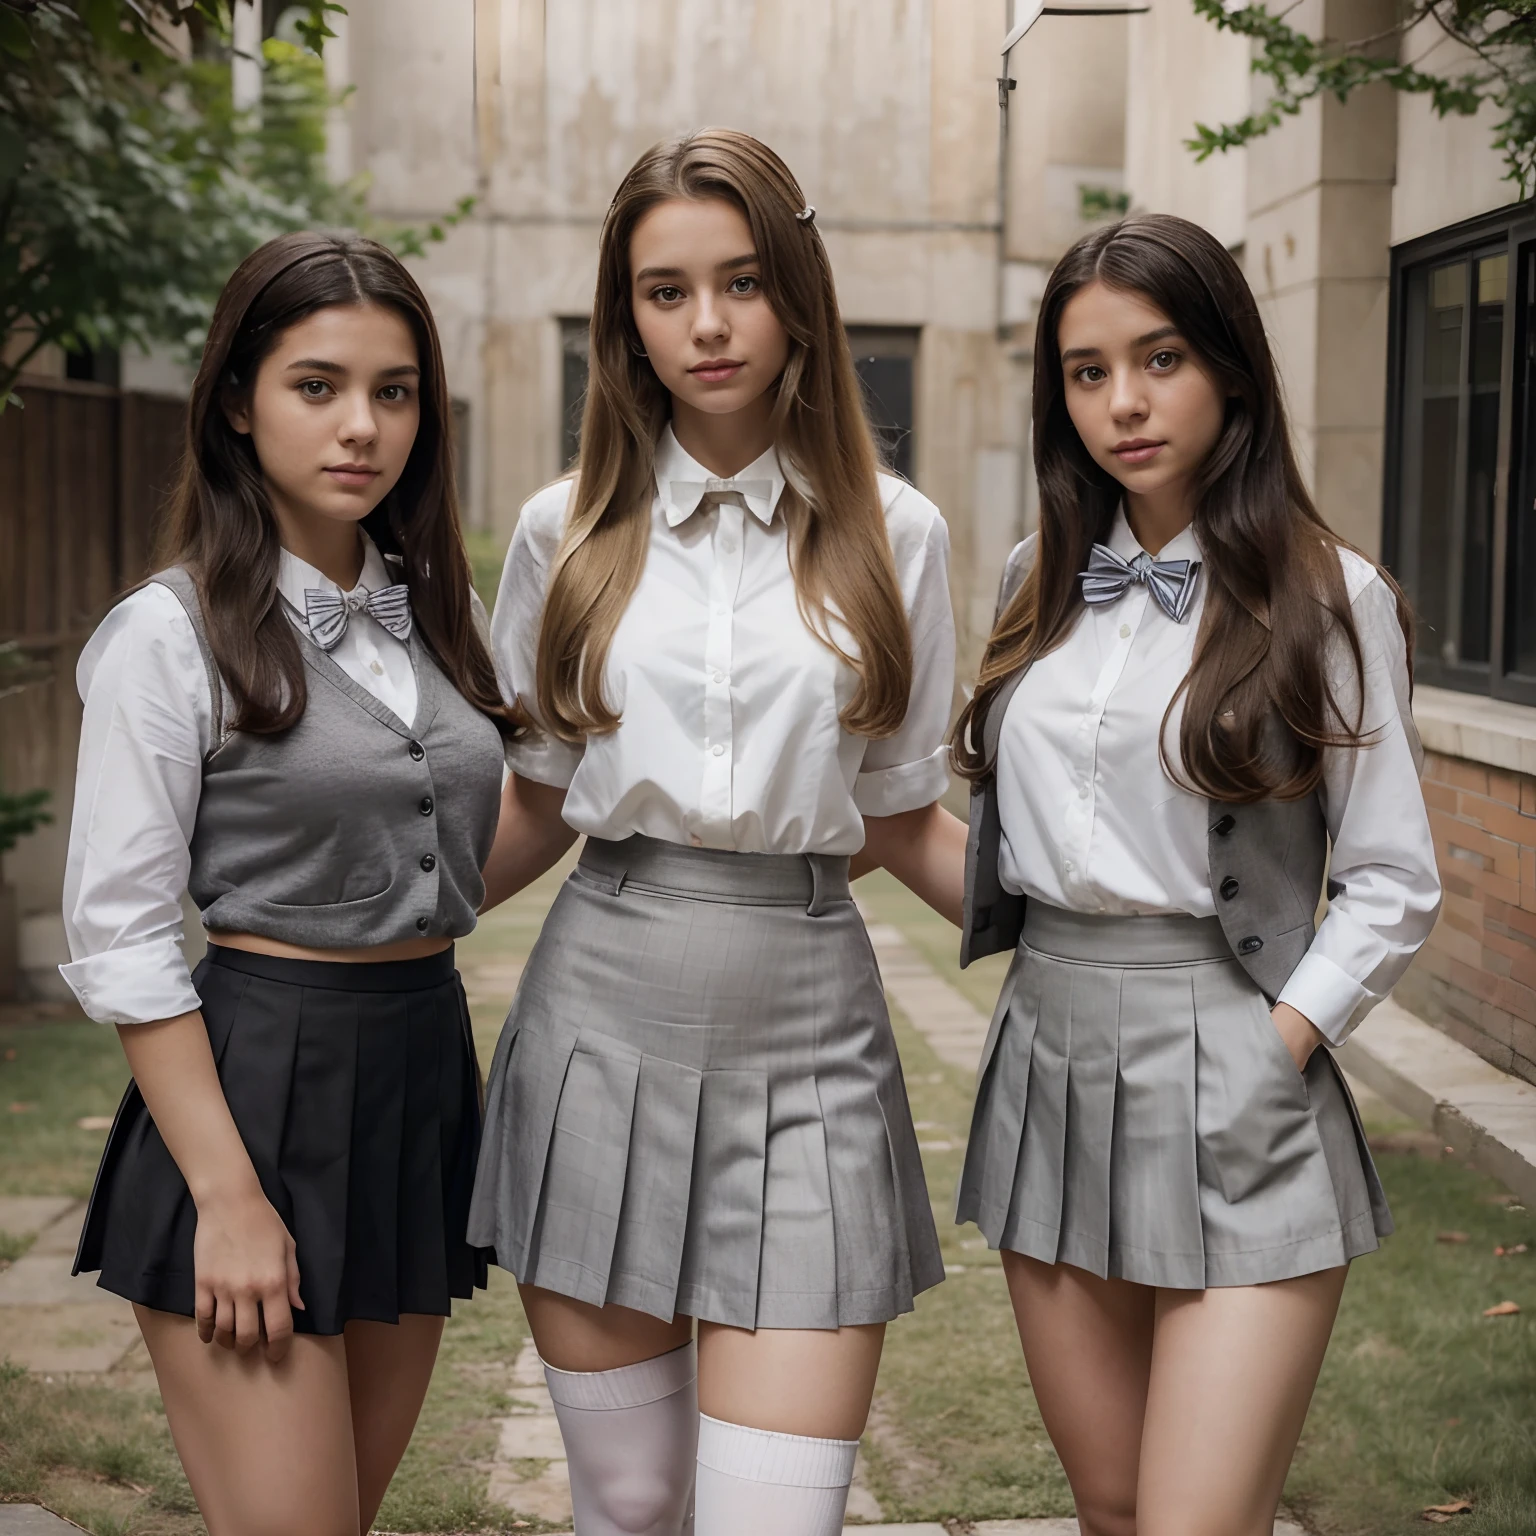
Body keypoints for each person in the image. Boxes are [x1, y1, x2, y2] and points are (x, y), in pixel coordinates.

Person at [910, 212, 1441, 1536]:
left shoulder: (1332, 594)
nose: (1122, 403)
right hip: (1051, 1059)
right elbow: (1016, 849)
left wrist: (1277, 1047)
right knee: (1111, 1506)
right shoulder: (1042, 580)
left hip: (1237, 1063)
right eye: (1086, 372)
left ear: (1232, 372)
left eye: (1158, 360)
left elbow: (1389, 880)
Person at [467, 128, 960, 1536]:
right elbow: (540, 798)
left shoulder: (896, 531)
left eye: (741, 281)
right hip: (598, 1019)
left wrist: (1115, 941)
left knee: (776, 1518)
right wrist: (348, 937)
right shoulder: (561, 529)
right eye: (665, 290)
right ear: (625, 315)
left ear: (796, 290)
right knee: (627, 1503)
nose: (708, 324)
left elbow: (902, 816)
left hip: (810, 1028)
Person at [60, 231, 513, 1536]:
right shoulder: (167, 633)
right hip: (255, 1088)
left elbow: (448, 849)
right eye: (317, 386)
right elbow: (125, 933)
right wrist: (230, 1196)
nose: (362, 425)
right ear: (239, 401)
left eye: (395, 390)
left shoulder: (427, 614)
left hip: (421, 1080)